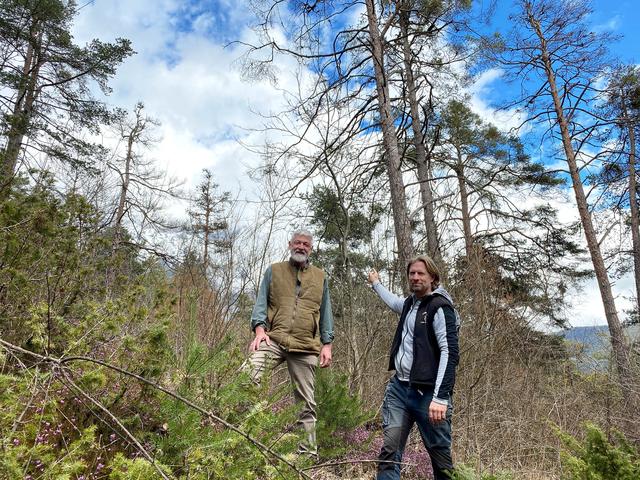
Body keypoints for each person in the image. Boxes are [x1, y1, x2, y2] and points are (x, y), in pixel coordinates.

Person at [368, 256, 460, 480]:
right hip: (399, 389)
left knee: (441, 461)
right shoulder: (411, 303)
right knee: (389, 451)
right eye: (412, 273)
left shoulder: (440, 307)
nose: (415, 277)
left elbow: (450, 353)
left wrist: (440, 397)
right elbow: (393, 302)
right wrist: (376, 284)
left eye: (421, 273)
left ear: (433, 277)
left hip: (429, 395)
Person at [248, 229, 334, 457]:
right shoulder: (274, 271)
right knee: (246, 378)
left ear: (311, 249)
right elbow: (260, 303)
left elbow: (326, 312)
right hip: (274, 338)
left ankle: (307, 454)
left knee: (306, 403)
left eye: (305, 244)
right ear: (289, 245)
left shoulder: (320, 276)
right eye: (297, 243)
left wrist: (327, 344)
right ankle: (243, 437)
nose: (301, 247)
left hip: (305, 346)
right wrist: (259, 330)